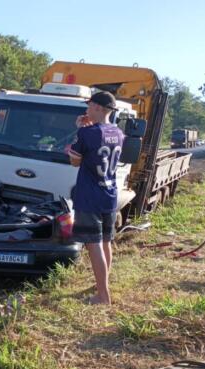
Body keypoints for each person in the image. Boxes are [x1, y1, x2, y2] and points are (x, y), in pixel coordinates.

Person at [68, 91, 124, 306]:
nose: (87, 109)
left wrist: (80, 130)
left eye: (90, 105)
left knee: (94, 244)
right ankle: (102, 284)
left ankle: (102, 295)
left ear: (99, 108)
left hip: (89, 195)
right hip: (109, 194)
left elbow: (75, 161)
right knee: (106, 241)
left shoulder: (87, 133)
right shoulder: (117, 132)